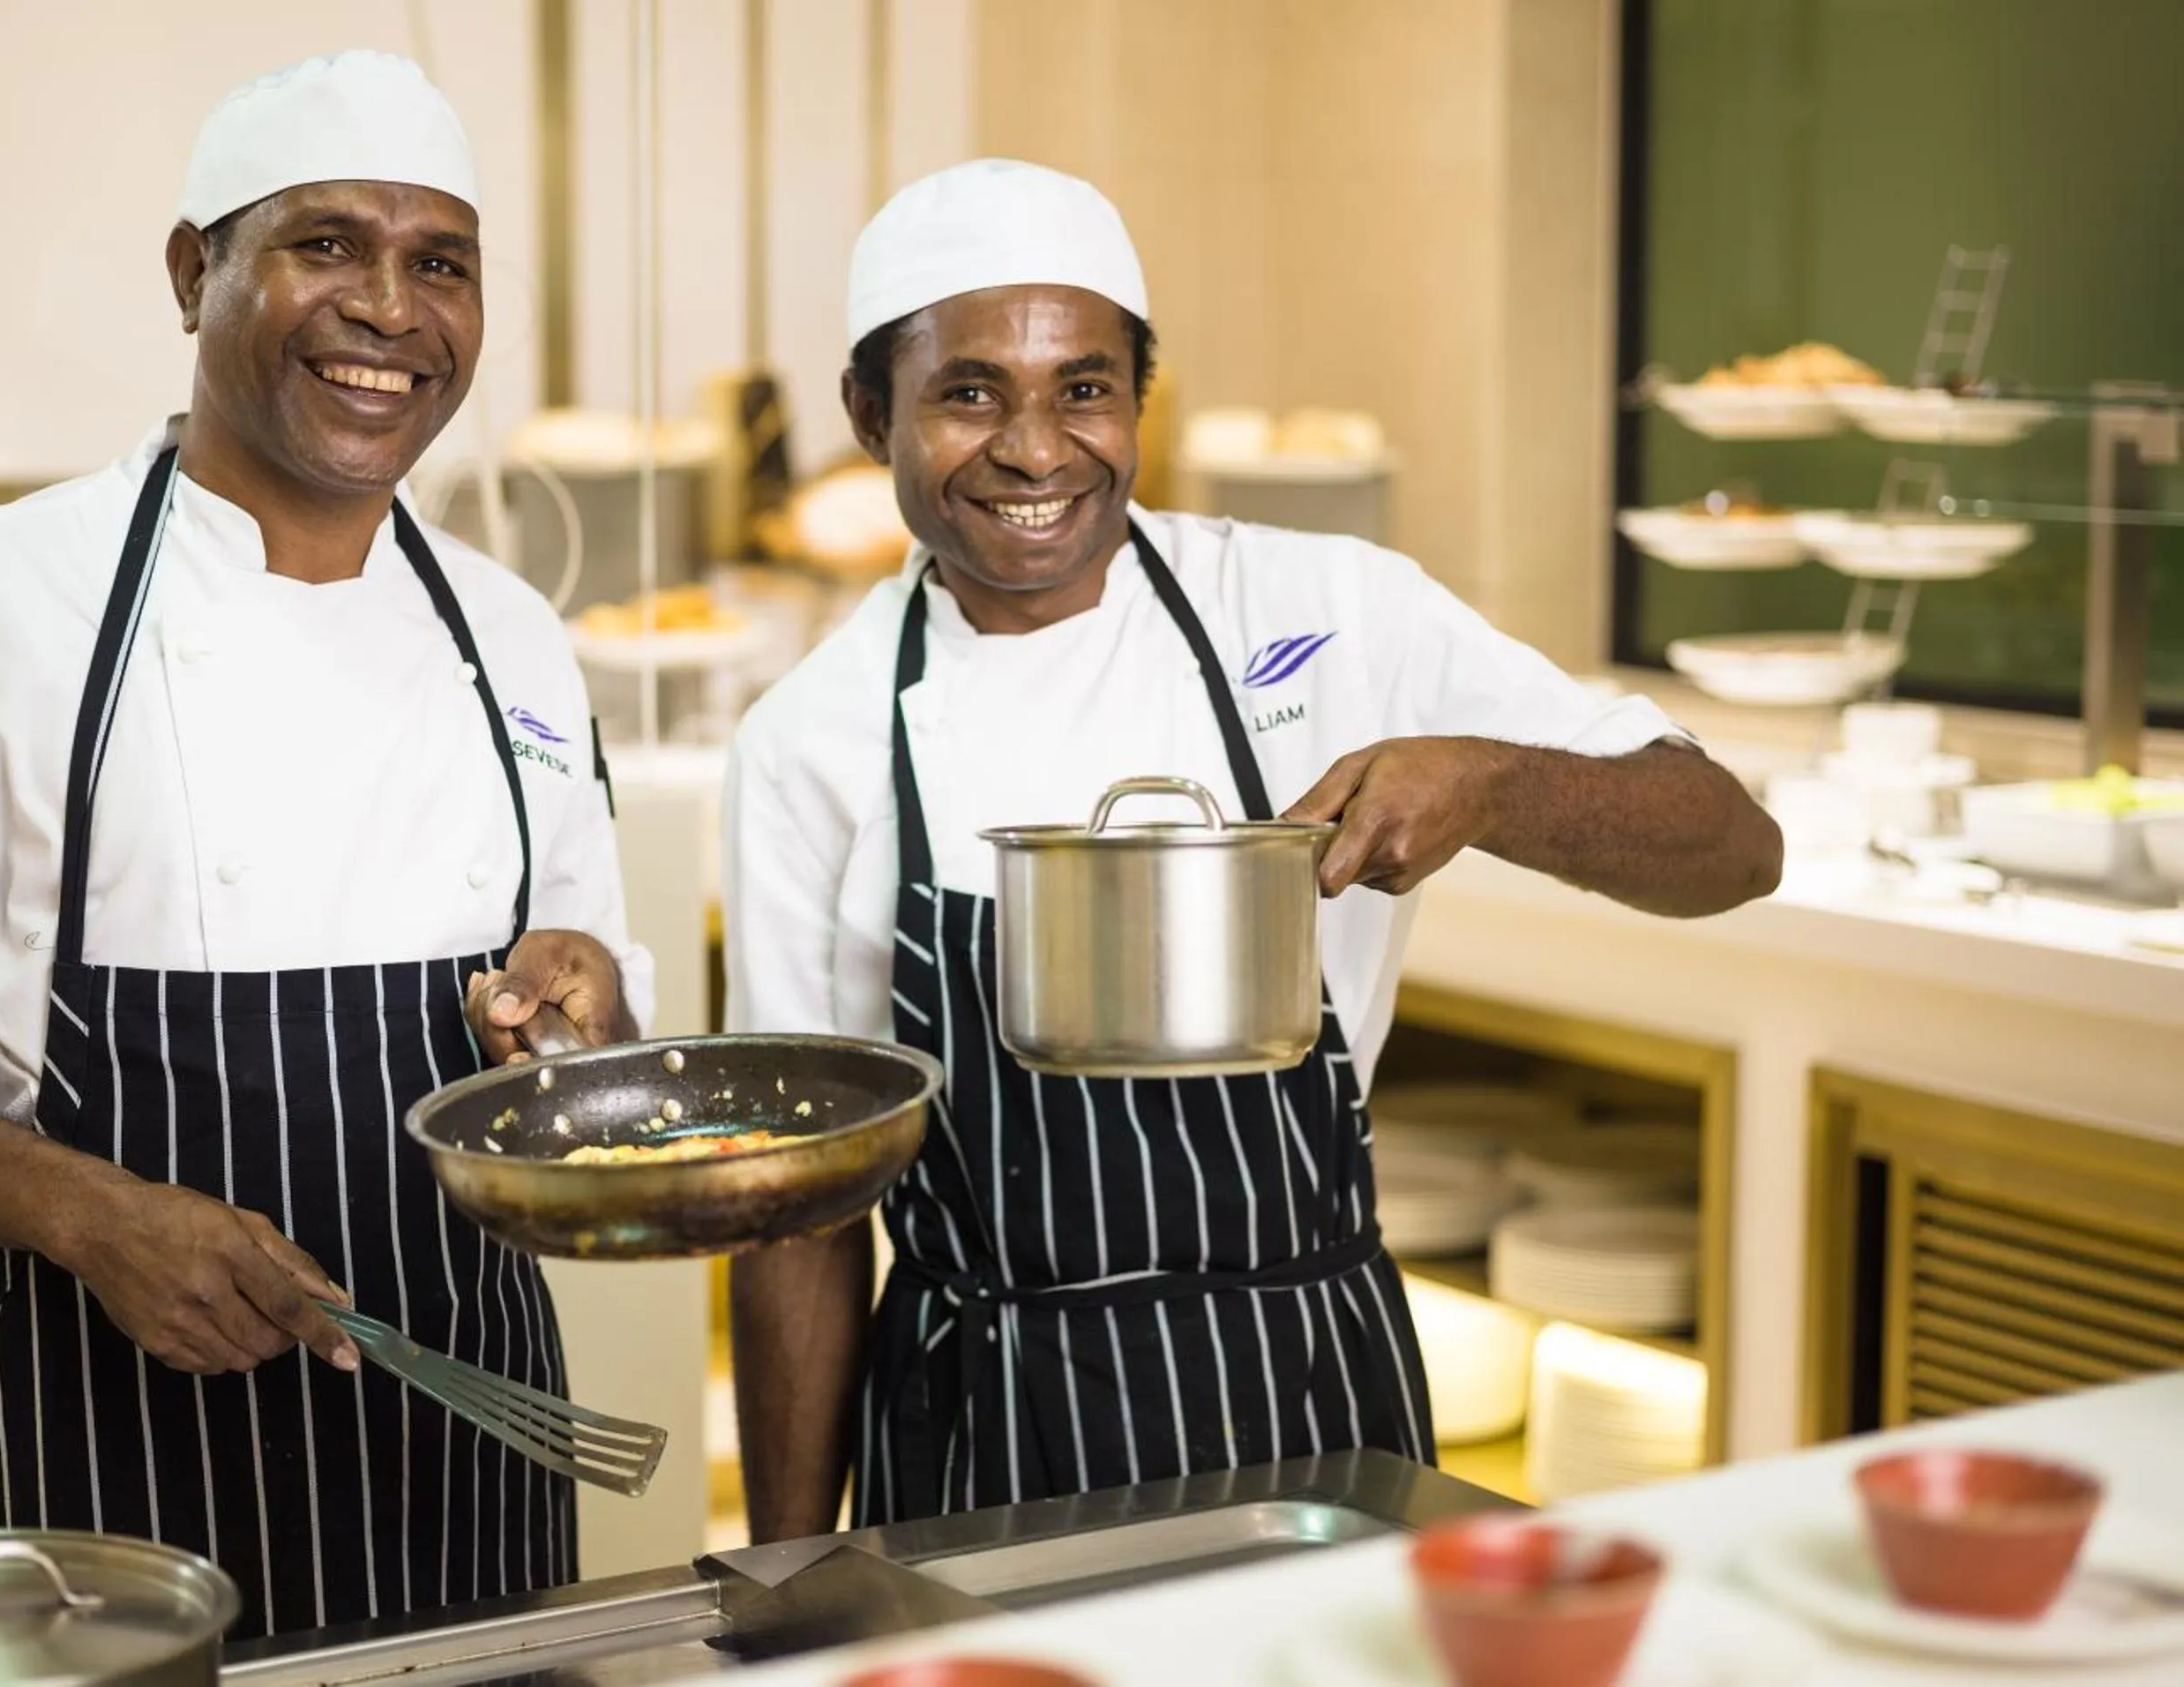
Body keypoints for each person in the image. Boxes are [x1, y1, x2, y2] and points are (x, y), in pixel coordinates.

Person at [0, 51, 650, 1639]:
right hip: (116, 1464)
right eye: (327, 245)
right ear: (192, 268)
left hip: (470, 1443)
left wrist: (582, 1005)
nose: (390, 309)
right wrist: (96, 1218)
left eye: (441, 265)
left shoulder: (513, 637)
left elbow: (581, 1000)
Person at [722, 159, 1782, 1539]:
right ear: (872, 413)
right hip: (991, 1428)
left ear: (1138, 404)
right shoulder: (814, 735)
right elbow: (798, 1215)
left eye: (1085, 390)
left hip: (1316, 1402)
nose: (1037, 450)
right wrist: (795, 1578)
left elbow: (1731, 846)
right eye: (968, 392)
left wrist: (1492, 785)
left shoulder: (1330, 609)